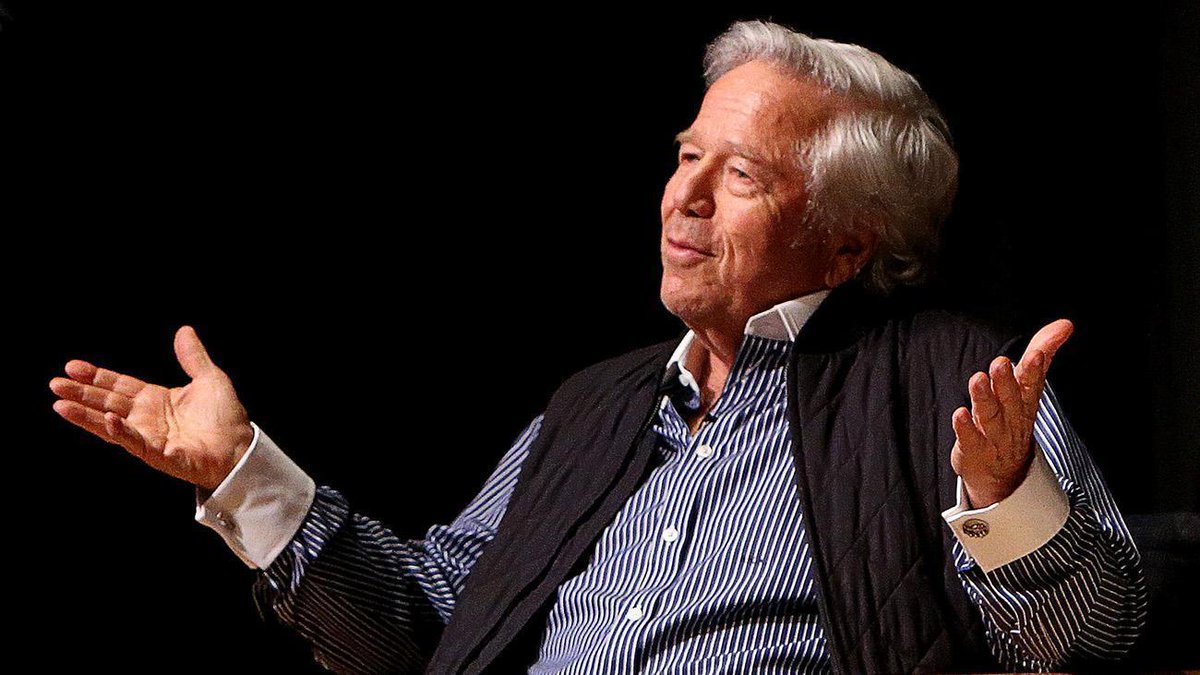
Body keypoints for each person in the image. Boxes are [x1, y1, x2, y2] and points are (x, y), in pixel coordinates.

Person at [49, 20, 1146, 674]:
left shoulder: (956, 382)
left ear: (849, 242)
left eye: (742, 175)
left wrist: (1005, 495)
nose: (685, 196)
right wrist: (246, 478)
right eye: (686, 154)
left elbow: (1092, 637)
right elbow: (426, 624)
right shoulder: (594, 405)